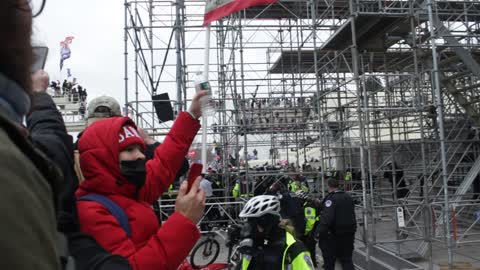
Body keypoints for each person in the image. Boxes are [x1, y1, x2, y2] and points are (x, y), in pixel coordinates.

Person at [75, 91, 208, 270]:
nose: (140, 156)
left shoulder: (129, 187)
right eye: (129, 150)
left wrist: (191, 115)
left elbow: (164, 162)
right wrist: (182, 221)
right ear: (104, 155)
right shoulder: (90, 212)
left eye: (140, 148)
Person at [237, 195, 315, 269]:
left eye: (253, 223)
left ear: (268, 222)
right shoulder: (256, 244)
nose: (250, 228)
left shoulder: (294, 249)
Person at [317, 178, 357, 270]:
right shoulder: (348, 197)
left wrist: (319, 233)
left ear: (328, 186)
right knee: (347, 260)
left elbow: (327, 218)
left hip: (334, 235)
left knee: (329, 262)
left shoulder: (330, 199)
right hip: (349, 233)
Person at [295, 190, 320, 268]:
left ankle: (311, 265)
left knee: (309, 250)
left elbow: (310, 222)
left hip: (310, 232)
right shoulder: (307, 204)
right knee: (311, 249)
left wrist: (305, 233)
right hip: (312, 231)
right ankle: (313, 264)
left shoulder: (308, 207)